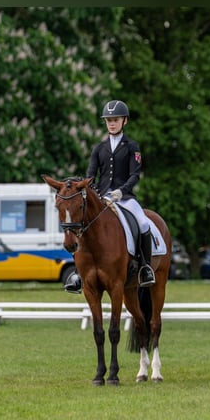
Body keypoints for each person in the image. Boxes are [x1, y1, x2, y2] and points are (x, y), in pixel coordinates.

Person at [63, 100, 156, 294]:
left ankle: (145, 268)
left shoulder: (132, 146)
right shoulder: (99, 149)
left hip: (125, 197)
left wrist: (122, 191)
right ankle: (79, 275)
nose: (112, 123)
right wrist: (97, 195)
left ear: (124, 121)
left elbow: (135, 174)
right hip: (102, 198)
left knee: (143, 223)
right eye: (108, 120)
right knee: (81, 225)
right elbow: (90, 177)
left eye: (115, 120)